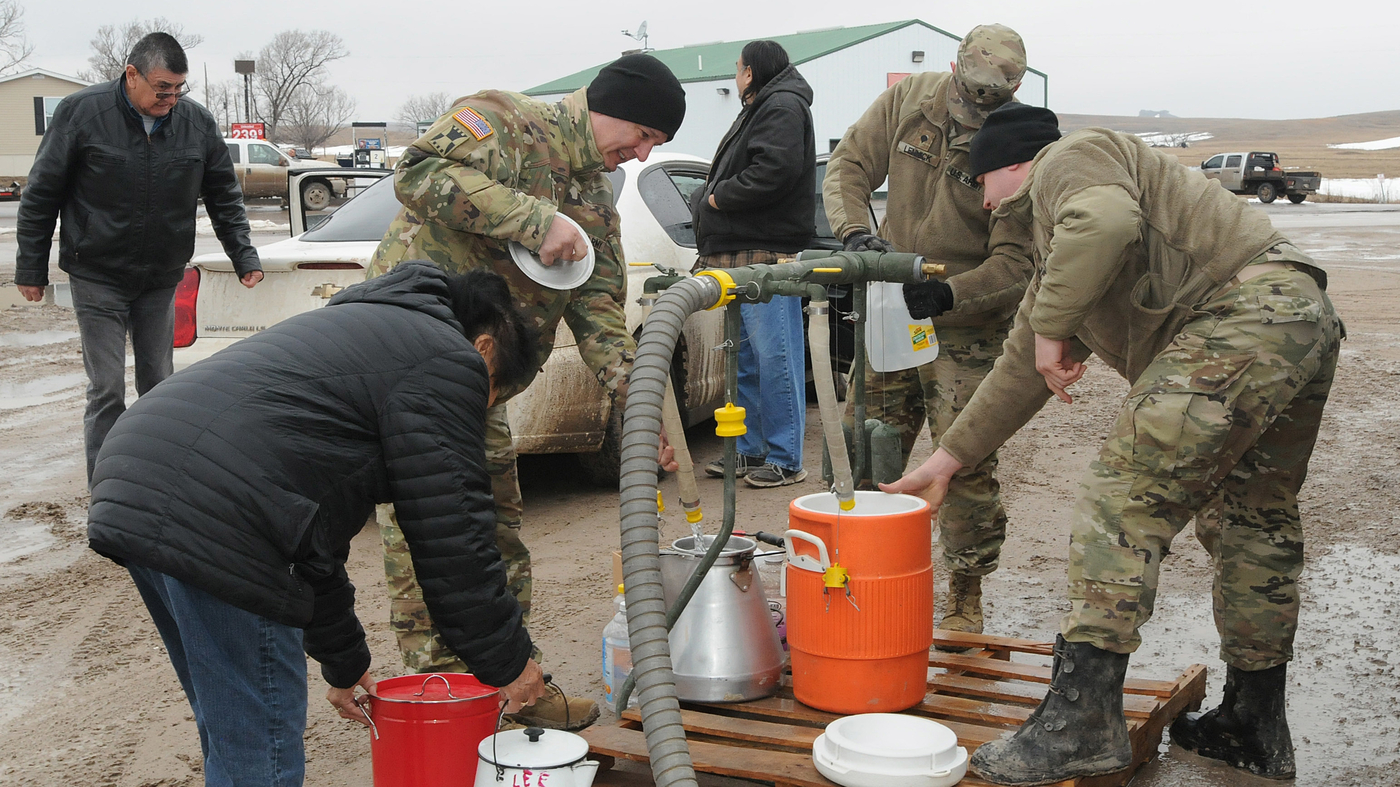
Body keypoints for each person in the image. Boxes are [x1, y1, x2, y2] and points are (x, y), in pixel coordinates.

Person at [884, 103, 1342, 785]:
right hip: (1297, 315)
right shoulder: (1064, 247)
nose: (983, 200)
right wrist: (945, 462)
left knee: (1122, 496)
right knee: (1251, 519)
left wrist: (1051, 328)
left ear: (1014, 162)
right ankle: (1253, 722)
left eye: (983, 181)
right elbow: (1020, 368)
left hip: (1242, 314)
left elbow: (1102, 225)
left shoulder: (1073, 161)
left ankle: (1084, 723)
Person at [87, 262, 549, 787]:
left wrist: (345, 662)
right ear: (484, 349)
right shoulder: (445, 359)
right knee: (262, 750)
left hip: (136, 477)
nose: (480, 410)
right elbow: (453, 540)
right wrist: (508, 661)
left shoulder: (361, 334)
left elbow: (310, 540)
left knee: (233, 727)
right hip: (220, 511)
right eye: (490, 396)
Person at [368, 53, 685, 729]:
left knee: (496, 527)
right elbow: (417, 171)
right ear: (615, 106)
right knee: (425, 529)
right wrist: (532, 220)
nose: (639, 155)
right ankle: (439, 692)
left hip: (479, 388)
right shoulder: (507, 124)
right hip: (409, 363)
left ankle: (511, 682)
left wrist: (638, 405)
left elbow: (599, 311)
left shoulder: (598, 199)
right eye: (645, 136)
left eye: (653, 147)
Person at [821, 24, 1033, 642]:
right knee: (864, 443)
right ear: (954, 68)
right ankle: (855, 572)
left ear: (1014, 87)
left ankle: (965, 596)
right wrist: (856, 235)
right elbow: (851, 164)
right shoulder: (913, 99)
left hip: (967, 326)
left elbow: (1018, 263)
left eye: (993, 99)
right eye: (971, 94)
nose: (977, 110)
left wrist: (951, 294)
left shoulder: (1018, 139)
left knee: (962, 463)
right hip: (891, 308)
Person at [15, 32, 261, 483]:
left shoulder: (197, 123)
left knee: (160, 386)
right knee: (106, 389)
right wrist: (31, 267)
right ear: (132, 75)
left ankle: (155, 484)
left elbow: (224, 195)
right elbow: (42, 194)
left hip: (160, 276)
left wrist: (244, 255)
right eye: (162, 89)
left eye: (178, 89)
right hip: (97, 273)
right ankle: (107, 491)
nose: (171, 98)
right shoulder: (82, 113)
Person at [693, 40, 815, 488]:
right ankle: (750, 450)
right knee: (745, 358)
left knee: (774, 358)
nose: (735, 75)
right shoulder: (765, 105)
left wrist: (718, 196)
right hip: (741, 254)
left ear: (750, 72)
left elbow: (774, 170)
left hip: (766, 256)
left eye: (738, 68)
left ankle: (785, 459)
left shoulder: (780, 105)